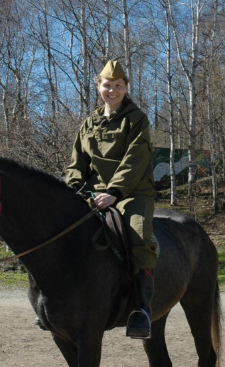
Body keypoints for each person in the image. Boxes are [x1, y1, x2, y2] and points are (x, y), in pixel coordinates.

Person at [64, 60, 158, 339]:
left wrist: (115, 192)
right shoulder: (88, 124)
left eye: (118, 86)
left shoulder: (137, 119)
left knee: (138, 236)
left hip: (132, 192)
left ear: (126, 88)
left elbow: (135, 159)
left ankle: (141, 309)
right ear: (99, 87)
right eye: (107, 85)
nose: (112, 90)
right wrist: (72, 188)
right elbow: (77, 162)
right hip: (94, 193)